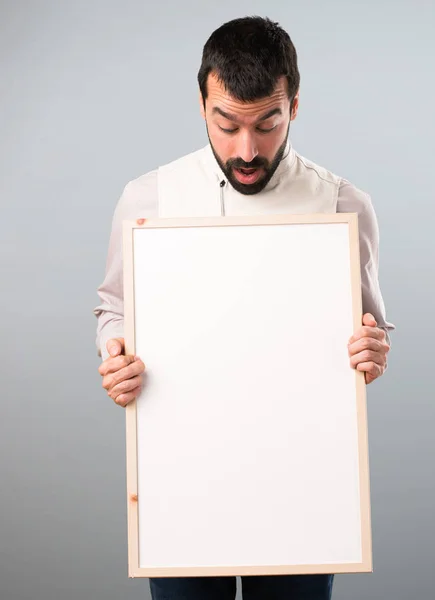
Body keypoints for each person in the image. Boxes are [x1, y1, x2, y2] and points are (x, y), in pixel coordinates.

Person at [94, 15, 395, 600]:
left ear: (295, 107)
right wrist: (114, 354)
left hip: (300, 485)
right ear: (201, 103)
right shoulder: (147, 198)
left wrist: (373, 350)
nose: (247, 149)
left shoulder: (341, 204)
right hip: (182, 481)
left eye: (268, 124)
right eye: (226, 125)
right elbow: (113, 307)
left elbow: (372, 330)